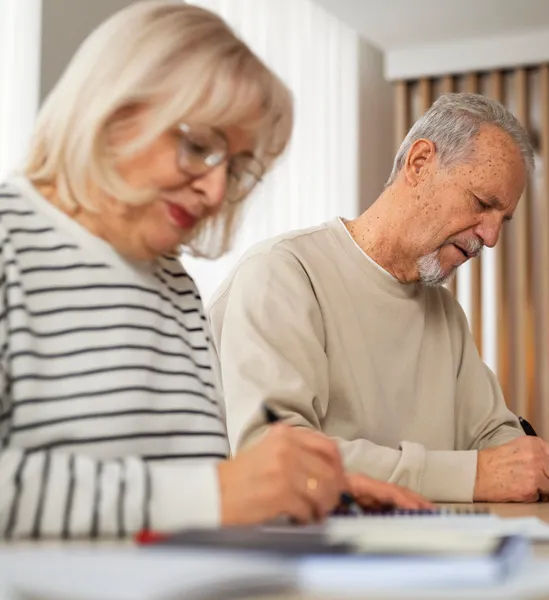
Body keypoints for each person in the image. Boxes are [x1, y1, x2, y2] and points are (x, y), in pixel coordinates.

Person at [0, 1, 427, 541]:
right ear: (112, 109)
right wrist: (218, 494)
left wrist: (304, 494)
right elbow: (196, 496)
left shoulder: (174, 286)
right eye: (199, 146)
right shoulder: (8, 243)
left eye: (237, 168)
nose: (217, 191)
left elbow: (187, 495)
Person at [208, 93, 549, 503]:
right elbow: (276, 454)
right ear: (419, 163)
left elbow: (491, 435)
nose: (491, 237)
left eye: (501, 219)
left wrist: (533, 466)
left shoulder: (445, 314)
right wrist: (470, 476)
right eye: (482, 204)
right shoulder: (282, 273)